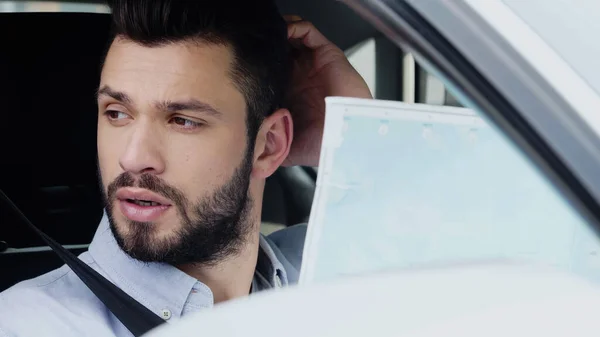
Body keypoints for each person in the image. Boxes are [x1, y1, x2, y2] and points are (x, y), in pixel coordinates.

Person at [0, 0, 371, 336]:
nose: (132, 158)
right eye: (117, 113)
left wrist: (359, 138)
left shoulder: (332, 275)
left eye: (183, 120)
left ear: (269, 145)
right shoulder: (27, 325)